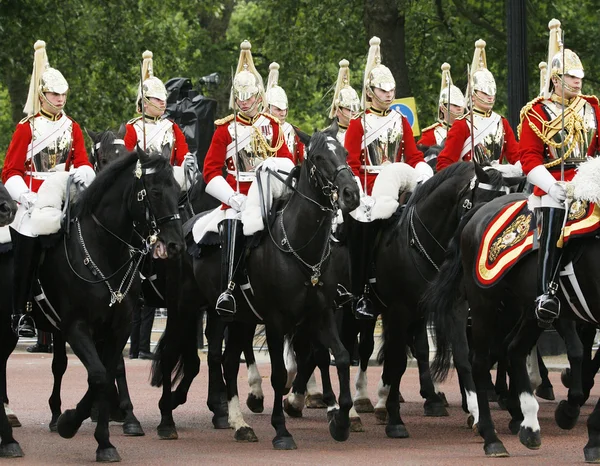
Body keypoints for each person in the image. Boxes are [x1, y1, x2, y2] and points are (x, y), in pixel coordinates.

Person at [2, 40, 95, 337]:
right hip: (31, 200)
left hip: (63, 196)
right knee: (27, 245)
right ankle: (22, 310)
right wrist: (24, 196)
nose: (60, 98)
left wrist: (84, 171)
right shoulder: (26, 127)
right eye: (55, 93)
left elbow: (82, 160)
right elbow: (10, 170)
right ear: (42, 95)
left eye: (64, 94)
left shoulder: (73, 127)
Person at [344, 36, 433, 319]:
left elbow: (414, 156)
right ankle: (362, 293)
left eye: (391, 90)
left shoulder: (400, 120)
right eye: (383, 90)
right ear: (371, 92)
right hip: (369, 192)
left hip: (400, 187)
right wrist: (362, 196)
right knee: (363, 234)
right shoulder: (358, 123)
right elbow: (352, 163)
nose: (389, 94)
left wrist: (423, 173)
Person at [203, 40, 293, 317]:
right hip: (239, 197)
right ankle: (229, 288)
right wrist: (232, 198)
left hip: (271, 194)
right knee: (232, 223)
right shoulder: (224, 130)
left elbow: (288, 161)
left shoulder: (273, 126)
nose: (244, 102)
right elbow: (210, 171)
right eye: (239, 97)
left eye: (248, 96)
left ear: (259, 95)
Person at [519, 19, 600, 328]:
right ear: (555, 78)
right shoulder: (536, 112)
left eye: (579, 76)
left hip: (591, 179)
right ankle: (546, 292)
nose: (577, 82)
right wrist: (551, 187)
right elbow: (528, 159)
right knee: (554, 224)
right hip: (556, 184)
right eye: (570, 76)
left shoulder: (592, 106)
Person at [436, 39, 520, 171]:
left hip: (501, 179)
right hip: (472, 182)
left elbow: (516, 156)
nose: (490, 96)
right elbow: (445, 163)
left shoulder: (501, 122)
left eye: (492, 91)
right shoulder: (462, 124)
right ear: (473, 94)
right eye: (484, 91)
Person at [123, 50, 196, 170]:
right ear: (145, 102)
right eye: (157, 99)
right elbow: (125, 162)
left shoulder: (171, 127)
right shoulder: (132, 128)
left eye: (163, 98)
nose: (163, 102)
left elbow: (182, 157)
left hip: (168, 181)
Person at [417, 63, 465, 154]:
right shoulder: (430, 134)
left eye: (461, 105)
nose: (459, 108)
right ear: (443, 108)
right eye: (454, 105)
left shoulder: (470, 129)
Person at [265, 62, 305, 165]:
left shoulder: (294, 131)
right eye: (278, 110)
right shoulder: (259, 129)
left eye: (285, 110)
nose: (283, 114)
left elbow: (303, 158)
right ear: (268, 108)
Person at [327, 59, 361, 146]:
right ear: (338, 111)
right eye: (349, 109)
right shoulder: (327, 137)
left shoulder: (366, 132)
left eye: (356, 108)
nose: (354, 112)